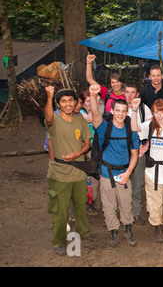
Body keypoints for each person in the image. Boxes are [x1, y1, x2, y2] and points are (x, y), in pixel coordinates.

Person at [44, 86, 94, 256]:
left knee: (81, 206)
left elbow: (87, 142)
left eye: (70, 100)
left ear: (75, 103)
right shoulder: (55, 121)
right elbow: (48, 117)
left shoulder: (80, 120)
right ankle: (59, 241)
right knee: (60, 210)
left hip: (79, 171)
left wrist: (78, 154)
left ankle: (84, 233)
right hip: (60, 173)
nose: (68, 104)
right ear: (58, 104)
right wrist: (49, 96)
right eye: (63, 101)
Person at [89, 84, 139, 247]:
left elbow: (135, 154)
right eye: (117, 111)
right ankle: (113, 231)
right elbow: (95, 114)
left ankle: (128, 228)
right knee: (109, 205)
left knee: (126, 203)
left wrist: (128, 173)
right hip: (106, 172)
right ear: (112, 111)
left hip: (124, 173)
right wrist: (92, 95)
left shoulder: (130, 131)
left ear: (127, 113)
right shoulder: (105, 128)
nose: (120, 114)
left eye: (123, 111)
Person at [131, 98, 163, 243]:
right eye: (156, 112)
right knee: (154, 203)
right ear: (153, 113)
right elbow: (134, 128)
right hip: (152, 173)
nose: (159, 115)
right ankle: (158, 227)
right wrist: (134, 110)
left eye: (162, 112)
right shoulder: (149, 125)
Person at [123, 82, 153, 225]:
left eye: (133, 92)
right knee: (122, 181)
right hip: (122, 151)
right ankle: (122, 211)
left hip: (139, 150)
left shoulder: (143, 108)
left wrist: (147, 146)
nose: (130, 95)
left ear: (137, 94)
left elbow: (152, 129)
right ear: (123, 93)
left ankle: (136, 210)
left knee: (137, 181)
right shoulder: (118, 108)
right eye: (127, 92)